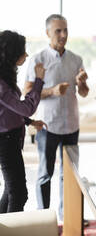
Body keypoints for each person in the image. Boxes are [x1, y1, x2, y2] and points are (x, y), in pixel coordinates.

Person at [24, 14, 89, 220]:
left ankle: (68, 216)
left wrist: (82, 83)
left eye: (66, 30)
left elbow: (84, 92)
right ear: (47, 33)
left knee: (70, 175)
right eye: (58, 31)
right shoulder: (38, 60)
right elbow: (27, 92)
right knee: (45, 174)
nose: (63, 35)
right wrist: (52, 91)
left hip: (72, 125)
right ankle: (44, 218)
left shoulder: (76, 59)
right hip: (47, 126)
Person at [0, 30, 46, 213]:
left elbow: (8, 110)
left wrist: (29, 121)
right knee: (19, 194)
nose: (26, 55)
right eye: (23, 50)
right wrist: (39, 80)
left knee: (11, 191)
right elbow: (26, 107)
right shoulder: (1, 84)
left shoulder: (5, 76)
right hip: (6, 142)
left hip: (10, 139)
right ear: (12, 53)